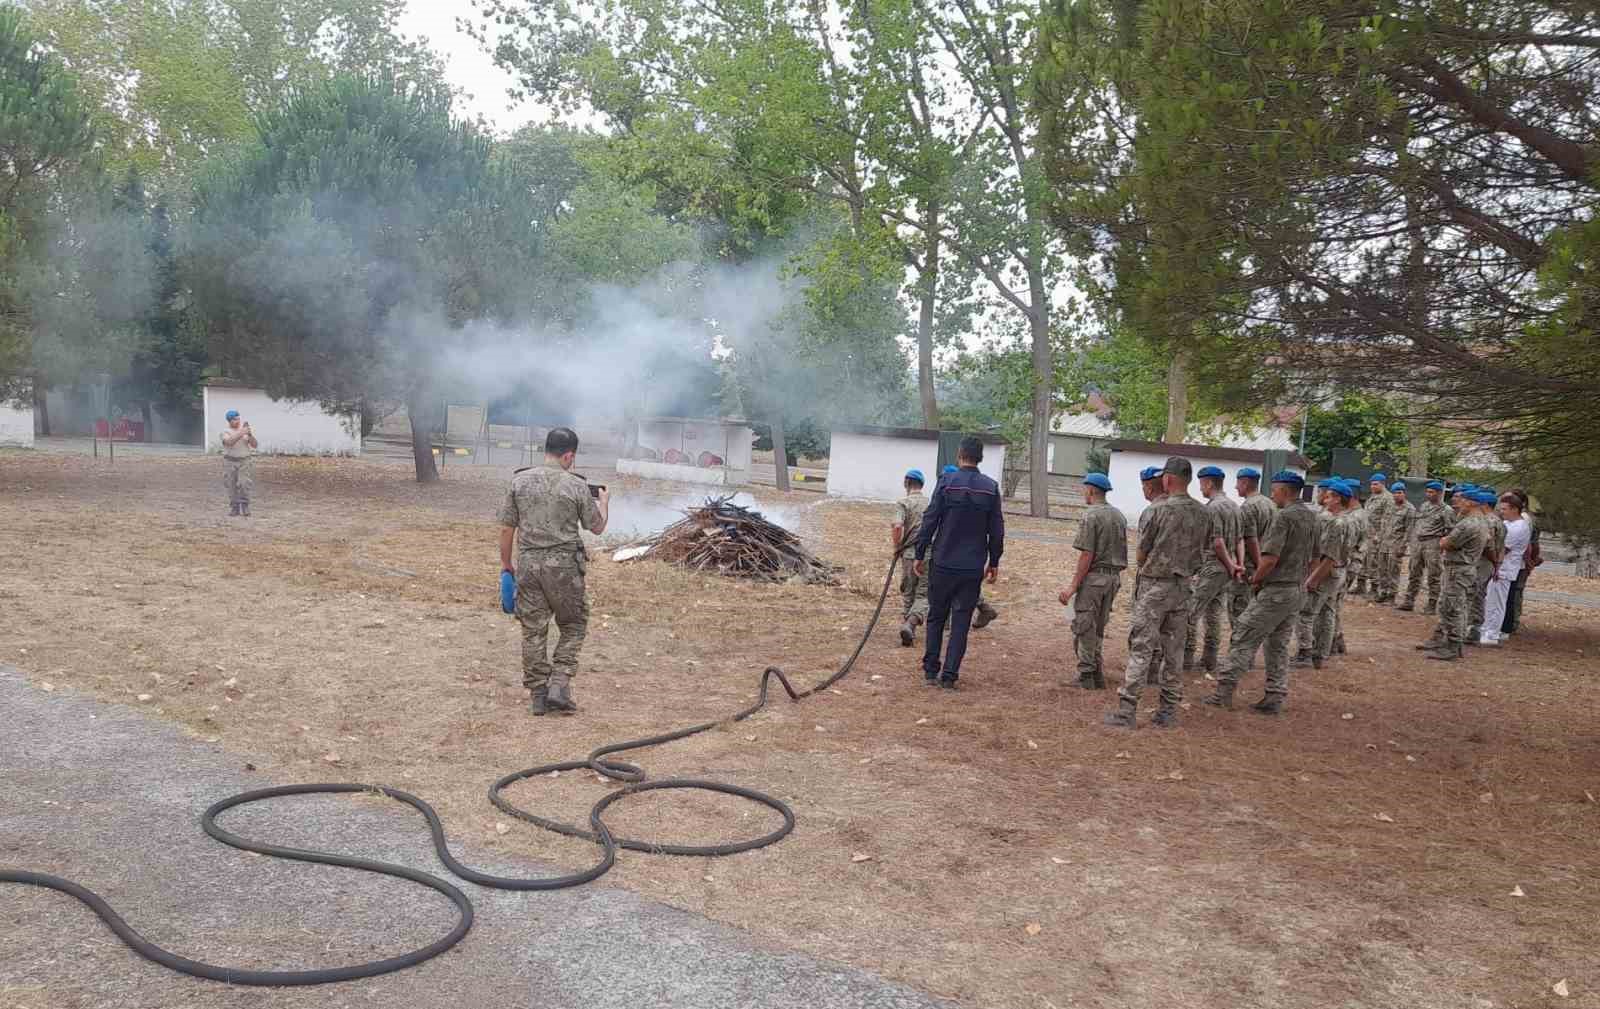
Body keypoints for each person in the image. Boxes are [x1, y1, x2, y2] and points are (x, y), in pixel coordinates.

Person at [497, 427, 610, 715]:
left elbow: (506, 528)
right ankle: (559, 683)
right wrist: (604, 503)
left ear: (545, 449)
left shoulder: (519, 482)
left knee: (533, 630)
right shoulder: (576, 486)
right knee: (573, 624)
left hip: (528, 566)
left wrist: (506, 565)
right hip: (564, 568)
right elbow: (596, 527)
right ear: (569, 455)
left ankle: (538, 694)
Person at [1104, 456, 1208, 729]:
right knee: (1174, 651)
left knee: (1142, 647)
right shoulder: (1202, 512)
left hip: (1154, 587)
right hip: (1184, 587)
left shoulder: (1156, 511)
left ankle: (1127, 711)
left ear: (1169, 479)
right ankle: (1168, 711)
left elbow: (1141, 553)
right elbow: (1205, 551)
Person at [1204, 471, 1317, 714]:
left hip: (1276, 590)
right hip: (1296, 590)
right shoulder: (1311, 517)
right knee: (1278, 643)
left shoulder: (1284, 518)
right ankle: (1275, 695)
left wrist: (1256, 580)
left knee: (1244, 633)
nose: (1272, 494)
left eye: (1275, 489)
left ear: (1285, 491)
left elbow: (1270, 558)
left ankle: (1223, 692)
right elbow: (1315, 557)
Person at [914, 437, 1004, 689]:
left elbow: (930, 520)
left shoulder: (946, 482)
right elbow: (996, 530)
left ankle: (931, 671)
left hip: (942, 562)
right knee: (961, 622)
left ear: (960, 455)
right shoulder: (990, 487)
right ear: (980, 458)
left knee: (936, 617)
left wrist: (920, 553)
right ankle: (950, 676)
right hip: (972, 566)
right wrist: (994, 561)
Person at [1059, 473, 1127, 690]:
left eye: (1084, 489)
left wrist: (1072, 587)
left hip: (1095, 578)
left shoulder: (1091, 516)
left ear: (1090, 490)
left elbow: (1087, 554)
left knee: (1084, 626)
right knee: (1098, 625)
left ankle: (1086, 675)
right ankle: (1096, 672)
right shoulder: (1118, 515)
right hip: (1113, 578)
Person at [1184, 465, 1243, 673]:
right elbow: (1239, 540)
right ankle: (1210, 659)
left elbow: (1217, 542)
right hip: (1228, 568)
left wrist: (1228, 564)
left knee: (1190, 612)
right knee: (1214, 614)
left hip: (1213, 566)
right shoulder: (1235, 506)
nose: (1201, 489)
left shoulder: (1212, 508)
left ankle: (1186, 659)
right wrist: (1238, 565)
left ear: (1208, 483)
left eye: (1201, 484)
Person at [1421, 486, 1488, 662]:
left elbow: (1447, 543)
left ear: (1472, 502)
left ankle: (1452, 646)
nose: (1459, 503)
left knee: (1452, 607)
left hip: (1458, 569)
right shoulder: (1479, 520)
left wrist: (1444, 541)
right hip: (1463, 569)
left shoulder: (1468, 523)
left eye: (1463, 500)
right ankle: (1447, 642)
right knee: (1455, 606)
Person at [1293, 480, 1351, 670]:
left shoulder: (1335, 522)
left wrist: (1312, 578)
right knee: (1327, 611)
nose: (1325, 498)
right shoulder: (1346, 520)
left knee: (1306, 612)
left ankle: (1305, 653)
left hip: (1327, 572)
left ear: (1337, 499)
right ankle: (1320, 653)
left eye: (1329, 495)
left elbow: (1328, 556)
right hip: (1337, 571)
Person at [937, 465, 1001, 629]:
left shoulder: (949, 493)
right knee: (963, 585)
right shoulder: (974, 492)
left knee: (948, 585)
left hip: (949, 553)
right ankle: (983, 608)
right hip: (971, 556)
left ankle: (945, 622)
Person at [1126, 465, 1168, 668]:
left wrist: (1142, 566)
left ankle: (1143, 672)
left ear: (1149, 488)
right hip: (1178, 582)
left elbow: (1142, 551)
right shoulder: (1183, 508)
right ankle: (1157, 667)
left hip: (1152, 579)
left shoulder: (1152, 511)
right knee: (1165, 628)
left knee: (1144, 626)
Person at [1480, 493, 1531, 646]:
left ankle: (1492, 633)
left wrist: (1495, 564)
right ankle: (1486, 629)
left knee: (1497, 602)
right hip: (1499, 567)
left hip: (1504, 568)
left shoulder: (1519, 527)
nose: (1501, 512)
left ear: (1515, 509)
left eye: (1504, 509)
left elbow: (1503, 549)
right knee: (1490, 600)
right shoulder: (1508, 523)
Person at [1398, 480, 1453, 613]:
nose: (1428, 494)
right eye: (1427, 491)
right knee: (1414, 571)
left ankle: (1432, 603)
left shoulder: (1446, 510)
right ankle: (1409, 600)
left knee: (1434, 574)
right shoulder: (1424, 506)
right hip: (1419, 542)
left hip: (1433, 543)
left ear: (1439, 493)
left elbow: (1450, 530)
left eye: (1431, 492)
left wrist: (1442, 545)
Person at [1232, 467, 1274, 625]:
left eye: (1238, 483)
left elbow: (1250, 539)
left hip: (1252, 566)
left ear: (1245, 483)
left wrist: (1258, 566)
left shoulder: (1248, 507)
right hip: (1267, 564)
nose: (1236, 487)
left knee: (1240, 612)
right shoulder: (1270, 504)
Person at [894, 469, 930, 646]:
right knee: (923, 593)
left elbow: (897, 526)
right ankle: (910, 625)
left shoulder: (903, 503)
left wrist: (897, 546)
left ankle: (907, 625)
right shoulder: (930, 503)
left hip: (909, 553)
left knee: (908, 590)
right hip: (928, 554)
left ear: (907, 482)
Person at [1501, 489, 1542, 635]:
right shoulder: (1512, 519)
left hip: (1517, 562)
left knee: (1513, 594)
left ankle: (1510, 624)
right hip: (1517, 561)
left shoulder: (1523, 520)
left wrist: (1529, 561)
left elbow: (1529, 543)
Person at [1352, 473, 1392, 596]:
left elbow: (1387, 518)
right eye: (1371, 484)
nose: (1372, 487)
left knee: (1374, 562)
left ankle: (1374, 589)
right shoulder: (1372, 497)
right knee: (1363, 559)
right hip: (1366, 534)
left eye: (1375, 484)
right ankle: (1360, 586)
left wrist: (1379, 536)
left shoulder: (1388, 498)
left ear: (1383, 484)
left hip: (1376, 535)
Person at [1379, 482, 1417, 603]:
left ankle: (1392, 595)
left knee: (1393, 570)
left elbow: (1409, 530)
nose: (1397, 495)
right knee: (1382, 569)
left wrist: (1403, 546)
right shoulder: (1389, 506)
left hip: (1397, 544)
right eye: (1395, 492)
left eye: (1399, 493)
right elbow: (1384, 522)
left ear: (1404, 494)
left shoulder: (1409, 509)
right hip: (1384, 542)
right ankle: (1383, 592)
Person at [219, 409, 258, 517]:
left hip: (244, 461)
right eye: (235, 420)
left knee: (244, 484)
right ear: (229, 421)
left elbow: (255, 445)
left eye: (238, 419)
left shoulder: (244, 431)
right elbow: (229, 442)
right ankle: (234, 507)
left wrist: (250, 435)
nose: (238, 421)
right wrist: (242, 432)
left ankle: (245, 506)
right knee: (231, 485)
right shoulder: (225, 432)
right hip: (230, 461)